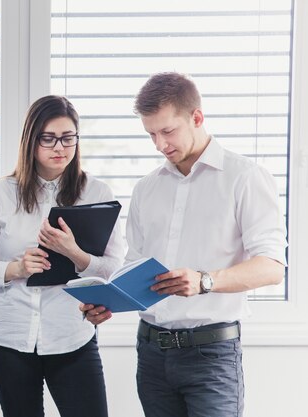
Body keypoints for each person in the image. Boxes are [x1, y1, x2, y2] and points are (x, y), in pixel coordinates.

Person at [84, 72, 287, 417]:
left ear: (196, 117)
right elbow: (136, 267)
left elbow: (272, 267)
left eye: (168, 131)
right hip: (151, 353)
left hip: (212, 356)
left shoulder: (245, 178)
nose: (160, 145)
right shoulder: (146, 189)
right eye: (151, 134)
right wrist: (110, 303)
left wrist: (205, 281)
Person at [0, 95, 125, 417]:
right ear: (31, 140)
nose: (60, 148)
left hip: (71, 335)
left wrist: (74, 253)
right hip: (7, 336)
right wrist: (17, 268)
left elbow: (112, 268)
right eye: (49, 138)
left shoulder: (97, 193)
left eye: (68, 138)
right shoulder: (1, 193)